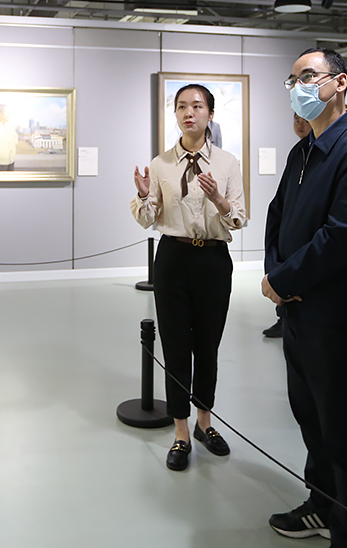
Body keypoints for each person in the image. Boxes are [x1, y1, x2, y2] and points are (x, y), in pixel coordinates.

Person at [262, 48, 347, 545]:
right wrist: (277, 273)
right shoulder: (304, 150)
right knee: (309, 416)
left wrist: (287, 280)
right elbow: (278, 215)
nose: (298, 86)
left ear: (339, 82)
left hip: (334, 315)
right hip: (297, 310)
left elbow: (343, 235)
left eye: (308, 76)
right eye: (292, 78)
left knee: (340, 428)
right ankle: (321, 504)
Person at [132, 84, 245, 471]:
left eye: (197, 106)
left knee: (208, 347)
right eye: (181, 106)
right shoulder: (161, 163)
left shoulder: (227, 163)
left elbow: (239, 218)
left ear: (210, 114)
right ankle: (180, 432)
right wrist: (144, 195)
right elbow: (148, 219)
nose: (188, 113)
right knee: (177, 347)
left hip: (213, 261)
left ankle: (205, 423)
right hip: (173, 259)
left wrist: (220, 201)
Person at [263, 113, 311, 340]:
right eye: (296, 119)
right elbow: (277, 211)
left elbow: (337, 234)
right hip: (286, 263)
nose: (300, 124)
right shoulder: (297, 153)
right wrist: (273, 270)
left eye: (304, 120)